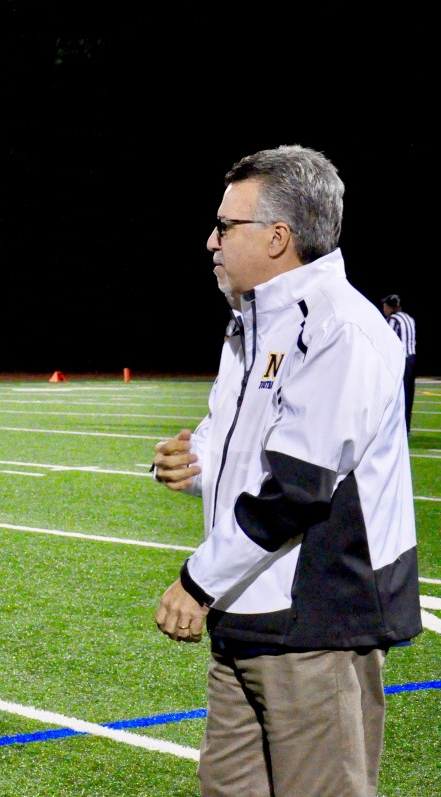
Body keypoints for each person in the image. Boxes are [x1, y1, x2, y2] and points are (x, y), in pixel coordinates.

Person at [151, 145, 421, 797]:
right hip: (245, 614)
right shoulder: (252, 324)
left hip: (316, 626)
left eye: (225, 225)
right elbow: (245, 445)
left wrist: (197, 581)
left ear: (278, 237)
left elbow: (296, 489)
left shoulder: (341, 329)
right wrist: (195, 463)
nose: (211, 240)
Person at [381, 294, 417, 433]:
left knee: (395, 395)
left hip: (400, 361)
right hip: (412, 358)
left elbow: (387, 341)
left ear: (390, 307)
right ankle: (406, 427)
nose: (384, 308)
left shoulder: (393, 320)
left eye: (385, 305)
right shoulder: (409, 318)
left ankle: (395, 428)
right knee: (409, 394)